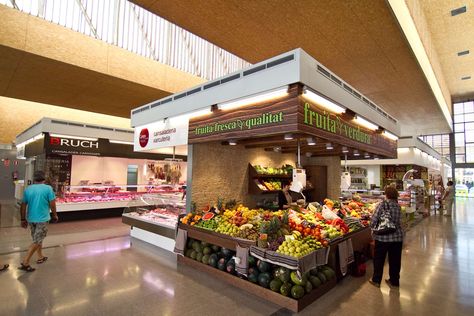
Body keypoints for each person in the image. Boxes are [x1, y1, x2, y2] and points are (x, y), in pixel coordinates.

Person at [19, 171, 58, 272]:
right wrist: (55, 215)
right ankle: (25, 262)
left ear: (34, 178)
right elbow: (52, 204)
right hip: (43, 219)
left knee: (37, 238)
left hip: (31, 219)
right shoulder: (48, 188)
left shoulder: (28, 189)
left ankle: (40, 256)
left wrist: (23, 219)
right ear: (44, 178)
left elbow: (23, 205)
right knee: (37, 241)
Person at [369, 186, 404, 289]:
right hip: (397, 238)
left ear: (387, 195)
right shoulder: (398, 206)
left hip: (382, 238)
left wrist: (372, 228)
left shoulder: (382, 204)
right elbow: (401, 222)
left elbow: (374, 219)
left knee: (379, 259)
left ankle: (376, 280)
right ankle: (394, 281)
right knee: (395, 260)